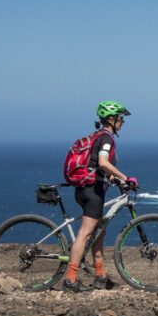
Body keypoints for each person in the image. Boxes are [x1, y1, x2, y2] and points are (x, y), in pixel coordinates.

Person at [63, 101, 137, 293]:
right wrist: (125, 177)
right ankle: (70, 280)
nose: (122, 122)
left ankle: (100, 275)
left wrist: (114, 179)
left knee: (99, 230)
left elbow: (96, 165)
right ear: (110, 119)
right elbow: (103, 163)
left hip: (87, 189)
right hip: (92, 191)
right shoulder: (106, 138)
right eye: (120, 118)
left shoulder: (97, 136)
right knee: (85, 234)